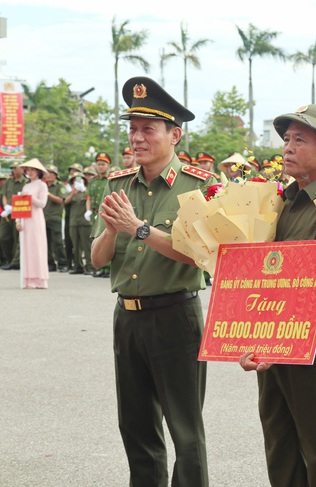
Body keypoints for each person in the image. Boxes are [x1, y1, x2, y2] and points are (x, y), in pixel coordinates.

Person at [90, 76, 213, 486]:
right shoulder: (118, 185)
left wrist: (140, 228)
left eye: (148, 129)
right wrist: (113, 229)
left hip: (176, 316)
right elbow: (97, 258)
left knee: (186, 432)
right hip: (128, 318)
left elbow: (201, 254)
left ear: (174, 134)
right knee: (137, 429)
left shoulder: (199, 187)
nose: (136, 138)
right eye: (132, 129)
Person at [238, 104, 316, 487]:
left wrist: (296, 329)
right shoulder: (279, 203)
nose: (286, 147)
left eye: (299, 140)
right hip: (272, 347)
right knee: (280, 448)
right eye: (286, 139)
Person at [15, 159, 49, 289]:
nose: (30, 172)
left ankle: (40, 280)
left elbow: (42, 204)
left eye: (33, 170)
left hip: (36, 219)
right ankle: (28, 279)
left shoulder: (42, 185)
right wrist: (17, 221)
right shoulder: (25, 186)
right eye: (28, 170)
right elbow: (19, 205)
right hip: (26, 220)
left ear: (38, 172)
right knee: (27, 248)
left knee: (37, 247)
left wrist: (30, 197)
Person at [64, 169, 93, 275]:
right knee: (75, 246)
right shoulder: (70, 193)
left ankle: (90, 266)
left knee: (87, 246)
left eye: (79, 180)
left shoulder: (87, 191)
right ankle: (78, 266)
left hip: (85, 222)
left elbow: (91, 199)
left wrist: (84, 190)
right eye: (74, 180)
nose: (77, 182)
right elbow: (66, 202)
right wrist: (73, 193)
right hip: (73, 222)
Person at [87, 152, 112, 277]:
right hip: (95, 213)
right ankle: (100, 267)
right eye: (99, 164)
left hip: (106, 213)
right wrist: (88, 211)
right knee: (96, 238)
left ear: (108, 165)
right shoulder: (93, 180)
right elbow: (89, 197)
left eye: (103, 164)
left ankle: (108, 268)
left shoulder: (112, 179)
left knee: (106, 238)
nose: (100, 166)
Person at [1, 160, 27, 270]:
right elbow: (4, 194)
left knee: (17, 238)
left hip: (19, 212)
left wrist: (15, 208)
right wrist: (6, 205)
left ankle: (16, 261)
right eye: (13, 168)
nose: (14, 170)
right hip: (8, 212)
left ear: (22, 169)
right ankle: (8, 259)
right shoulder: (8, 181)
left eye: (16, 168)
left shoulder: (26, 182)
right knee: (3, 237)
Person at [43, 164, 69, 272]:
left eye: (51, 173)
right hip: (43, 217)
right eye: (47, 173)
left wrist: (48, 194)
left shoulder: (60, 186)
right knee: (46, 243)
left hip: (55, 218)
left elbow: (60, 200)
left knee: (57, 242)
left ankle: (62, 263)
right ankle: (50, 263)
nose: (48, 175)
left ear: (55, 175)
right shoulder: (42, 185)